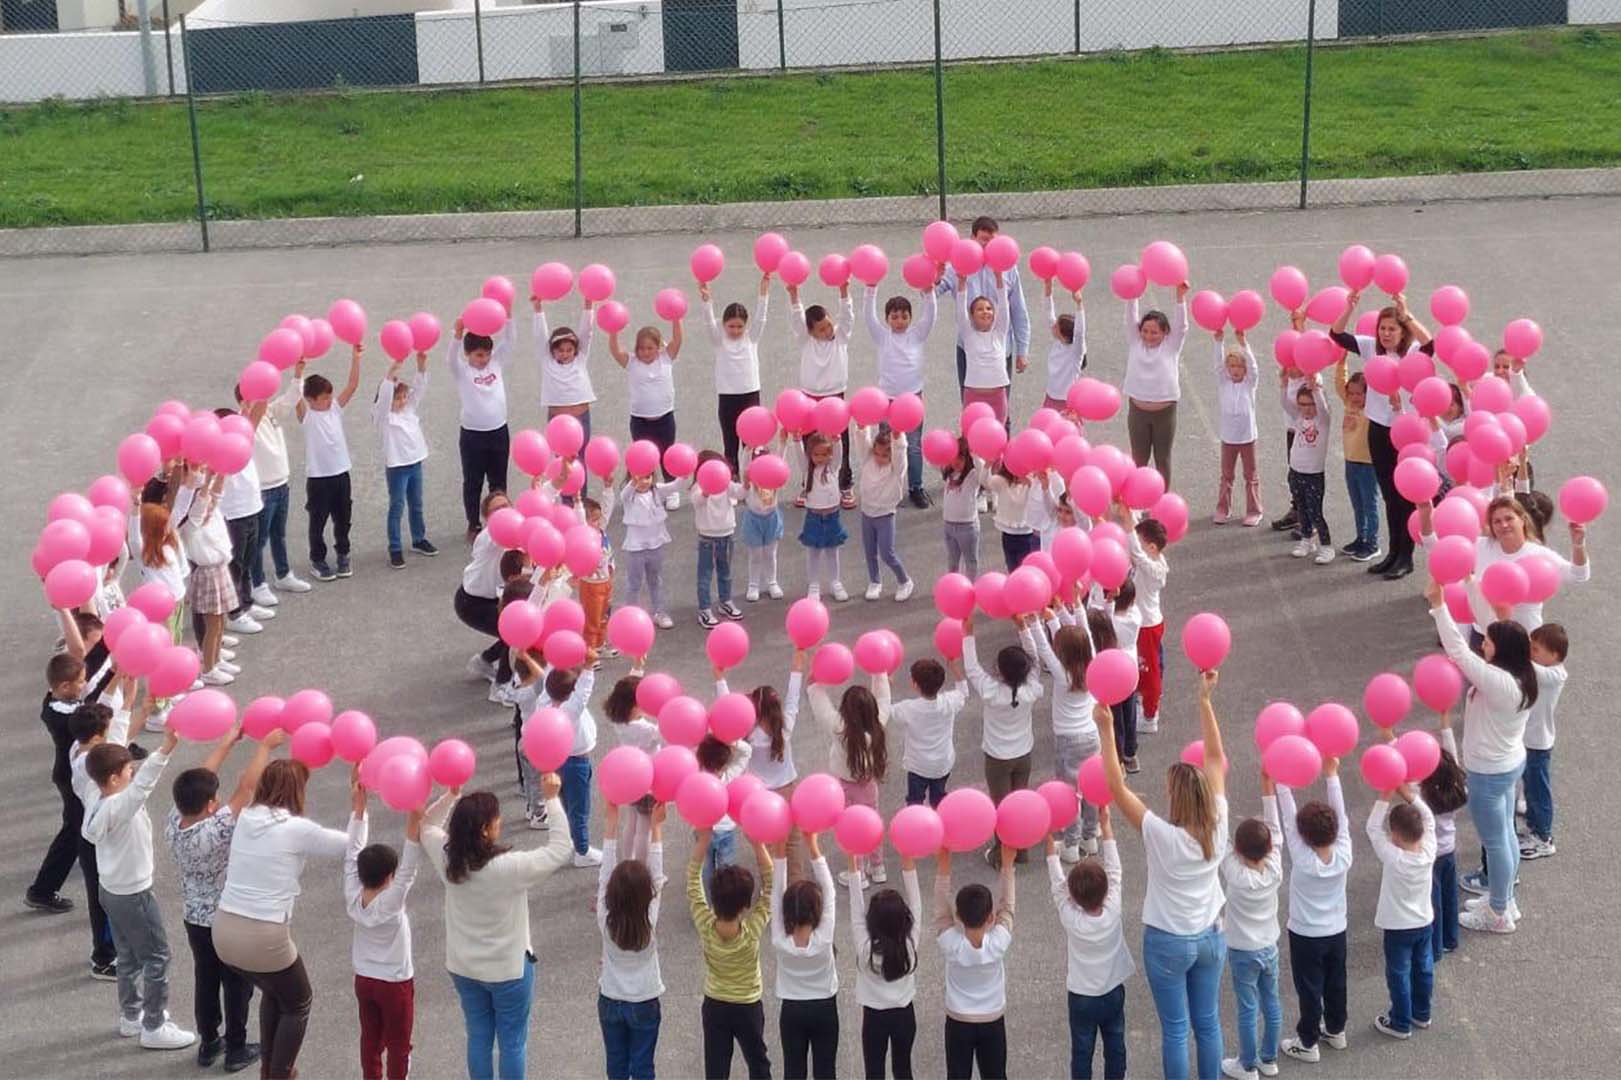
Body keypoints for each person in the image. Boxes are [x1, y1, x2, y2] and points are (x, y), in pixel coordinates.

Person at [1097, 669, 1228, 1080]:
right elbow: (1213, 757)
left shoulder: (1161, 833)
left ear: (1176, 797)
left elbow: (1117, 788)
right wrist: (1204, 702)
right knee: (1207, 1022)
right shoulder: (1218, 822)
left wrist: (1105, 729)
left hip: (1168, 939)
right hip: (1211, 935)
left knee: (1175, 1029)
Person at [422, 778, 571, 1080]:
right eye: (496, 818)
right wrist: (552, 799)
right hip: (508, 970)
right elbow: (561, 848)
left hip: (464, 967)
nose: (500, 821)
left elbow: (426, 825)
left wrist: (450, 795)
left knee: (478, 1037)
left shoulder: (447, 856)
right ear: (485, 830)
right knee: (512, 1043)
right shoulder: (508, 867)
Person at [212, 761, 350, 1078]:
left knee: (276, 992)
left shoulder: (246, 817)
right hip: (264, 935)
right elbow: (350, 845)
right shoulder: (295, 829)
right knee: (299, 1001)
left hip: (224, 931)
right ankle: (278, 1074)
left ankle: (270, 1070)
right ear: (296, 791)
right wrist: (360, 810)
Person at [1425, 577, 1537, 934]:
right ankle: (1504, 900)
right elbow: (1493, 625)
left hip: (1490, 773)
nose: (1483, 642)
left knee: (1496, 841)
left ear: (1501, 650)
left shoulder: (1499, 682)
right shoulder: (1520, 672)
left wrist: (1438, 605)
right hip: (1506, 765)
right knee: (1504, 834)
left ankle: (1498, 911)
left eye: (1488, 642)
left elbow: (1457, 650)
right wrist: (1471, 584)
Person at [167, 726, 280, 1073]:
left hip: (195, 918)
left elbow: (204, 779)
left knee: (206, 979)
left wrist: (226, 744)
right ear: (211, 804)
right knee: (237, 983)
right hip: (228, 919)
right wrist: (265, 746)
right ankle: (236, 1047)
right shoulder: (217, 829)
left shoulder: (174, 822)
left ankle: (208, 1042)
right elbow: (247, 788)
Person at [82, 723, 195, 1050]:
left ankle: (131, 1016)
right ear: (115, 778)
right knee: (157, 956)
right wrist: (166, 748)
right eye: (128, 770)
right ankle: (155, 1025)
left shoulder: (96, 797)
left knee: (128, 955)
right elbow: (143, 786)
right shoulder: (120, 805)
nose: (134, 773)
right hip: (133, 894)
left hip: (111, 891)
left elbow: (131, 780)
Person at [1328, 290, 1433, 579]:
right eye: (1382, 328)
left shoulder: (1412, 353)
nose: (1386, 334)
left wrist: (1406, 311)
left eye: (1392, 329)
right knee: (1388, 494)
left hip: (1405, 431)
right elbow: (1337, 335)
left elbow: (1430, 344)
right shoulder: (1370, 348)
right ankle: (1392, 552)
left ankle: (1406, 557)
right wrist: (1349, 307)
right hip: (1378, 430)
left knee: (1405, 496)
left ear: (1402, 332)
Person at [28, 650, 118, 980]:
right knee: (81, 840)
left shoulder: (56, 701)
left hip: (70, 779)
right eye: (78, 683)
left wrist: (108, 648)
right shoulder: (63, 718)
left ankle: (42, 889)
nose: (83, 685)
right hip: (75, 782)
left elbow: (87, 678)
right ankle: (104, 954)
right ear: (65, 686)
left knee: (71, 832)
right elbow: (93, 705)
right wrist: (114, 675)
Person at [1416, 495, 1589, 635]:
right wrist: (1425, 513)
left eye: (1509, 518)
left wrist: (1578, 545)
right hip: (1484, 636)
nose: (1503, 525)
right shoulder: (1482, 546)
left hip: (1523, 638)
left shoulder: (1538, 554)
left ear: (1522, 520)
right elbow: (1439, 549)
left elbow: (1578, 575)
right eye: (1497, 521)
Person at [1047, 805, 1132, 1080]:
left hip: (1081, 995)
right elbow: (1116, 869)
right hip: (1112, 990)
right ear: (1105, 890)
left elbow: (1057, 881)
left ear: (1073, 895)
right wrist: (1105, 824)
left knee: (1082, 1050)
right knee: (1115, 1046)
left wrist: (1048, 834)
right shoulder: (1113, 908)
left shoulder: (1071, 917)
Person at [1275, 759, 1352, 1062]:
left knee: (1309, 988)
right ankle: (1336, 1028)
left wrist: (1281, 780)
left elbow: (1287, 815)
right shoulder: (1344, 852)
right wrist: (1332, 774)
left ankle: (1307, 1042)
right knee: (1336, 981)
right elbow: (1342, 816)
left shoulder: (1302, 859)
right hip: (1337, 931)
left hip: (1306, 934)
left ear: (1303, 836)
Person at [345, 777, 423, 1080]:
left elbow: (352, 853)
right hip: (395, 983)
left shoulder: (353, 895)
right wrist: (414, 820)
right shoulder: (392, 902)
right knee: (399, 1044)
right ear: (389, 876)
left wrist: (359, 810)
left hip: (364, 979)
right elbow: (410, 868)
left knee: (371, 1039)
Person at [689, 827, 775, 1080]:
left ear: (713, 900)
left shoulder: (705, 925)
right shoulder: (752, 931)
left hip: (715, 1004)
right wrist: (758, 846)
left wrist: (703, 841)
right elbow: (771, 887)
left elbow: (693, 883)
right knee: (758, 1062)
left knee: (716, 1068)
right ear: (747, 904)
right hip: (748, 1005)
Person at [962, 612, 1042, 865]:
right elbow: (1036, 661)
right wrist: (1024, 629)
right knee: (1020, 803)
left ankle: (1002, 853)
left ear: (999, 670)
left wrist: (968, 635)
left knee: (1002, 808)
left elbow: (972, 668)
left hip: (997, 758)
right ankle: (1023, 848)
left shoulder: (991, 692)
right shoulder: (1031, 689)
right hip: (1024, 755)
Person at [1364, 769, 1437, 1041]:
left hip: (1397, 926)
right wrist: (1405, 792)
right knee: (1423, 966)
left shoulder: (1393, 857)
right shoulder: (1428, 850)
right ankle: (1422, 1012)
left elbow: (1372, 828)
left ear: (1394, 835)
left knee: (1398, 973)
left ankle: (1400, 1021)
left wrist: (1386, 792)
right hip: (1424, 922)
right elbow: (1428, 817)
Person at [1219, 771, 1283, 1080]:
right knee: (1271, 1001)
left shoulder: (1235, 875)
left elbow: (1221, 844)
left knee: (1247, 1007)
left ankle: (1246, 1064)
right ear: (1269, 848)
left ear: (1239, 850)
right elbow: (1274, 830)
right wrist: (1267, 788)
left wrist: (1216, 798)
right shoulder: (1275, 868)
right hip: (1269, 946)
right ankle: (1268, 1058)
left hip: (1242, 950)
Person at [806, 655, 891, 885]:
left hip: (844, 786)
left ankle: (858, 871)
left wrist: (814, 684)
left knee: (851, 827)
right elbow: (884, 698)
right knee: (871, 822)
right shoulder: (879, 724)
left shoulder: (840, 729)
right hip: (869, 784)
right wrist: (878, 670)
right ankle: (878, 866)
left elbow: (821, 708)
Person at [934, 845, 1017, 1080]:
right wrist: (1008, 867)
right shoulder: (998, 943)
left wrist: (943, 868)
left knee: (958, 1075)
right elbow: (1008, 909)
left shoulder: (951, 945)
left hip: (958, 1021)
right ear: (991, 917)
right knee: (995, 1075)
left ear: (958, 916)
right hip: (992, 1019)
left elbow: (941, 914)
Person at [597, 801, 666, 1080]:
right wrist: (656, 827)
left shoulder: (605, 917)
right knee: (643, 1065)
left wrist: (611, 821)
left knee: (616, 1064)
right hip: (645, 998)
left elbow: (604, 874)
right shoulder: (648, 919)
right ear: (647, 894)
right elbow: (658, 875)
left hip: (611, 997)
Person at [938, 216, 1032, 417]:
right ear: (972, 238)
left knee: (1002, 411)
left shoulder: (1007, 267)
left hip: (1000, 349)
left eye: (993, 240)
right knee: (970, 409)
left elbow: (1018, 310)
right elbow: (931, 292)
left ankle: (1001, 446)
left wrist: (1022, 351)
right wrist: (934, 276)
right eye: (984, 239)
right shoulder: (957, 264)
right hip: (968, 349)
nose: (988, 245)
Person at [513, 657, 601, 867]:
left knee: (564, 804)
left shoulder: (543, 702)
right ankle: (582, 851)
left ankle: (571, 841)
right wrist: (588, 667)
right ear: (571, 693)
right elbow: (584, 691)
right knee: (579, 809)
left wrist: (555, 659)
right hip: (576, 764)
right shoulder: (571, 709)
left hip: (556, 762)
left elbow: (551, 682)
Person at [770, 831, 839, 1080]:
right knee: (825, 1070)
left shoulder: (780, 940)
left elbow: (775, 897)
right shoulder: (824, 939)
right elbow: (830, 891)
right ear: (817, 910)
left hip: (792, 1010)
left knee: (793, 1071)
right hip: (824, 1008)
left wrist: (780, 852)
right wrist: (813, 846)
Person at [1032, 614, 1101, 860]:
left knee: (1070, 793)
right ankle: (1091, 836)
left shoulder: (1062, 675)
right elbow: (1088, 637)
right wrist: (1062, 614)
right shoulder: (1093, 666)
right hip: (1092, 735)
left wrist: (1035, 622)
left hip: (1068, 740)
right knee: (1091, 787)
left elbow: (1042, 647)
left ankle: (1071, 844)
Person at [864, 279, 938, 506]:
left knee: (913, 446)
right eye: (894, 317)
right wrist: (871, 289)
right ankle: (889, 484)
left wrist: (929, 293)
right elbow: (869, 316)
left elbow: (930, 316)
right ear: (887, 319)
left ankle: (916, 486)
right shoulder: (882, 336)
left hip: (913, 400)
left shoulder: (917, 334)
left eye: (904, 316)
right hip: (886, 401)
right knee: (888, 444)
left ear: (910, 318)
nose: (899, 321)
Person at [237, 377, 312, 599]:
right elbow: (255, 418)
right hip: (263, 490)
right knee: (259, 541)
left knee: (279, 535)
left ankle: (283, 574)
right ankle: (257, 584)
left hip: (281, 484)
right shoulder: (242, 423)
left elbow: (291, 398)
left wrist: (299, 374)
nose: (261, 400)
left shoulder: (270, 411)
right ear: (243, 401)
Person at [849, 852, 922, 1078]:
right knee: (903, 1069)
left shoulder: (865, 951)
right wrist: (908, 862)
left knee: (874, 1072)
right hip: (904, 1014)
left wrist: (853, 866)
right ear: (905, 919)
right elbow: (917, 903)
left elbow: (855, 911)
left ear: (871, 921)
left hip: (874, 1018)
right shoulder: (909, 944)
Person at [293, 344, 363, 581]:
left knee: (344, 517)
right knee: (318, 520)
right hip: (319, 478)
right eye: (324, 398)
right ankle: (318, 559)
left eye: (330, 396)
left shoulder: (334, 409)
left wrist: (356, 357)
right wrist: (298, 372)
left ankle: (343, 554)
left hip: (341, 473)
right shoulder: (307, 415)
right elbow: (295, 396)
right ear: (310, 399)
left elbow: (352, 385)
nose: (329, 400)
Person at [448, 311, 516, 542]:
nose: (484, 358)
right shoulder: (462, 371)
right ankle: (474, 523)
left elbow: (510, 341)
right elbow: (450, 358)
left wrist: (508, 317)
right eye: (478, 355)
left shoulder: (496, 362)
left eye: (486, 353)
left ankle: (500, 520)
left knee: (498, 480)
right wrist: (457, 334)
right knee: (473, 481)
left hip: (498, 431)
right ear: (467, 354)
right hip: (472, 436)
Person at [788, 280, 856, 505]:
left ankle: (844, 485)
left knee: (840, 444)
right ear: (810, 332)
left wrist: (844, 292)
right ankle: (808, 485)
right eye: (821, 329)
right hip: (808, 399)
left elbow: (847, 317)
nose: (827, 331)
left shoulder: (841, 337)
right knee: (810, 444)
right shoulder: (805, 341)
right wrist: (794, 295)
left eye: (828, 325)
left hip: (835, 398)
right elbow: (797, 320)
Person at [370, 349, 438, 568]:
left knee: (416, 504)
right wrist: (392, 372)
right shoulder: (383, 417)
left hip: (415, 463)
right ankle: (395, 548)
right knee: (397, 506)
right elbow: (385, 398)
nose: (401, 401)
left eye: (402, 397)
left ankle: (418, 539)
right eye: (397, 398)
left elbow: (420, 389)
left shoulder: (409, 409)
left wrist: (421, 365)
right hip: (397, 467)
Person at [608, 316, 684, 508]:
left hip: (665, 418)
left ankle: (670, 489)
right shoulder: (632, 363)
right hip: (640, 420)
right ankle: (640, 491)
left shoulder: (666, 358)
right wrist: (613, 331)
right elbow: (616, 351)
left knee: (667, 454)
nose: (645, 352)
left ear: (658, 348)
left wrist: (677, 319)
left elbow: (677, 340)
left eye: (650, 348)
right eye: (641, 348)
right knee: (642, 457)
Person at [699, 273, 771, 477]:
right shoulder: (718, 340)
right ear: (723, 325)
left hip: (750, 394)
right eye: (731, 326)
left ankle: (754, 477)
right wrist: (706, 300)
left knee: (753, 443)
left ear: (746, 326)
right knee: (730, 443)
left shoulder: (752, 337)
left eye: (740, 326)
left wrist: (763, 293)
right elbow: (707, 322)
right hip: (727, 396)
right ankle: (732, 480)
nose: (735, 330)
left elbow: (761, 317)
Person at [1122, 283, 1190, 485]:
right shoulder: (1135, 342)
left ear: (1165, 333)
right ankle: (1136, 501)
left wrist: (1180, 297)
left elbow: (1181, 326)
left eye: (1154, 332)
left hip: (1165, 412)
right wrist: (1132, 295)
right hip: (1138, 411)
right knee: (1139, 459)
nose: (1148, 336)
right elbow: (1130, 319)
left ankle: (1161, 503)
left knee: (1162, 458)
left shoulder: (1171, 346)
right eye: (1145, 331)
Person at [215, 403, 275, 634]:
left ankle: (246, 603)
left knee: (248, 561)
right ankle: (234, 612)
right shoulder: (218, 452)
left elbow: (256, 414)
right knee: (235, 566)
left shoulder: (243, 440)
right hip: (233, 515)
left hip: (253, 509)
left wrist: (258, 398)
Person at [181, 469, 239, 686]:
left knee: (220, 620)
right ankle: (208, 667)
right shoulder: (192, 522)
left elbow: (215, 496)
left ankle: (217, 658)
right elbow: (202, 503)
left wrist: (220, 474)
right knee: (213, 623)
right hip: (208, 573)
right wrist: (204, 484)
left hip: (219, 568)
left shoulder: (211, 512)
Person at [456, 491, 516, 698]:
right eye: (497, 510)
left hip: (494, 599)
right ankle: (500, 686)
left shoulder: (514, 532)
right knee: (514, 632)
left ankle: (485, 661)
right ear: (487, 518)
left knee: (518, 629)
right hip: (472, 604)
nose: (504, 513)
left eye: (506, 506)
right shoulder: (488, 537)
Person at [533, 294, 598, 482]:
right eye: (560, 350)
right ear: (552, 350)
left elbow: (587, 332)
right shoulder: (546, 360)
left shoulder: (580, 359)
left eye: (569, 350)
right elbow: (540, 337)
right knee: (561, 463)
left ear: (576, 350)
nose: (565, 354)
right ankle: (564, 503)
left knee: (580, 460)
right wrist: (538, 310)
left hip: (581, 417)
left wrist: (588, 304)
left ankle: (580, 502)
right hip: (557, 420)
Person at [1419, 712, 1467, 962]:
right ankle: (1451, 938)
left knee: (1433, 900)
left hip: (1432, 855)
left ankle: (1435, 946)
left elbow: (1402, 776)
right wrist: (1445, 725)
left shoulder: (1423, 797)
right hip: (1449, 852)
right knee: (1450, 894)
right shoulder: (1457, 789)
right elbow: (1453, 760)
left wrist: (1390, 738)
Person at [891, 657, 969, 810]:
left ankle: (916, 824)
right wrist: (954, 667)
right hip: (942, 764)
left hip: (917, 766)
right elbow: (963, 692)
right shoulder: (949, 702)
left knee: (915, 801)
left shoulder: (909, 708)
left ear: (915, 685)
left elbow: (885, 710)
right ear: (942, 681)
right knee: (939, 798)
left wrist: (886, 685)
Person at [1520, 622, 1569, 860]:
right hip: (1530, 739)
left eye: (1536, 649)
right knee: (1530, 789)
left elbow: (1529, 668)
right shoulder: (1546, 670)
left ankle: (1543, 837)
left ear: (1555, 655)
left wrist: (1514, 648)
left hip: (1537, 743)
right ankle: (1533, 829)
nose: (1531, 652)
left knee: (1538, 791)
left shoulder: (1555, 675)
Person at [1120, 503, 1170, 733]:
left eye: (1139, 544)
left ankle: (1150, 716)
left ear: (1151, 547)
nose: (1134, 548)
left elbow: (1138, 557)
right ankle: (1149, 701)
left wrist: (1129, 526)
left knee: (1149, 671)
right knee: (1148, 665)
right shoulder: (1147, 562)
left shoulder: (1156, 569)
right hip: (1143, 623)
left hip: (1147, 626)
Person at [618, 466, 685, 630]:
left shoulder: (657, 491)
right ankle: (630, 616)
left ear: (652, 478)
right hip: (636, 548)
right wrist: (633, 483)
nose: (643, 482)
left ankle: (659, 612)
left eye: (647, 477)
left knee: (655, 580)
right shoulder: (630, 495)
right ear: (632, 478)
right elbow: (623, 495)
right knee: (634, 583)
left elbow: (674, 486)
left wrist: (683, 472)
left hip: (655, 545)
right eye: (638, 478)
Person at [852, 425, 914, 601]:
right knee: (869, 551)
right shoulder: (867, 459)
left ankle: (905, 581)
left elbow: (901, 453)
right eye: (877, 454)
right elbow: (861, 443)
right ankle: (874, 582)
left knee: (887, 553)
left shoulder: (896, 469)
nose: (879, 458)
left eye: (885, 455)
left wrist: (898, 437)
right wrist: (863, 428)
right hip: (867, 514)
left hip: (885, 515)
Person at [1278, 373, 1334, 564]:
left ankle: (1326, 546)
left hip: (1313, 474)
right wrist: (1284, 385)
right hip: (1296, 471)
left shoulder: (1323, 420)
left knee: (1315, 511)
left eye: (1310, 405)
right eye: (1302, 404)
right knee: (1301, 508)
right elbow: (1286, 404)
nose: (1306, 409)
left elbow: (1322, 407)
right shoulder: (1298, 417)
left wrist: (1316, 389)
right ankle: (1306, 540)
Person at [1211, 329, 1262, 526]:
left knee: (1251, 476)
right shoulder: (1223, 383)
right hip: (1228, 438)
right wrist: (1218, 342)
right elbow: (1217, 366)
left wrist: (1243, 343)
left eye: (1240, 366)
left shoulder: (1250, 384)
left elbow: (1254, 368)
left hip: (1247, 437)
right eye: (1232, 366)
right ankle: (1223, 508)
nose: (1236, 370)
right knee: (1226, 476)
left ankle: (1254, 510)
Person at [1331, 357, 1380, 560]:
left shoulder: (1372, 411)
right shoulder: (1349, 404)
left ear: (1368, 395)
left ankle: (1372, 542)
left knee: (1370, 504)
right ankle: (1361, 537)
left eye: (1359, 394)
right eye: (1351, 393)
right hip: (1351, 461)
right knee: (1357, 503)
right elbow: (1339, 383)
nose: (1353, 397)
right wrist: (1341, 362)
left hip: (1368, 464)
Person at [690, 449, 746, 628]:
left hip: (727, 534)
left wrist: (748, 484)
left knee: (726, 572)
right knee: (705, 575)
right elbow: (697, 501)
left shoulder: (727, 484)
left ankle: (725, 601)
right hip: (707, 537)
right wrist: (706, 492)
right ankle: (704, 609)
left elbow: (740, 493)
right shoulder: (698, 487)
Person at [793, 431, 850, 601]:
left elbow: (839, 453)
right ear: (810, 454)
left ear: (830, 455)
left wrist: (837, 439)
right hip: (814, 517)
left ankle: (835, 582)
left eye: (824, 454)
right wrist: (796, 441)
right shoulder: (807, 470)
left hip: (832, 516)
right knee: (814, 553)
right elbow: (799, 457)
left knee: (833, 552)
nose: (820, 458)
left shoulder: (832, 468)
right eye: (816, 454)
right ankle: (814, 585)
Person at [954, 266, 1014, 424]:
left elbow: (1004, 305)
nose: (985, 312)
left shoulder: (1000, 334)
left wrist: (999, 278)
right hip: (973, 396)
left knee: (997, 437)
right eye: (979, 309)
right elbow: (960, 309)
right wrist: (962, 283)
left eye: (988, 308)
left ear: (994, 314)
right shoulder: (968, 335)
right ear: (972, 316)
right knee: (972, 439)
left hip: (998, 396)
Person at [740, 441, 787, 602]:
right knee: (755, 554)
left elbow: (781, 460)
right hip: (753, 519)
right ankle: (753, 584)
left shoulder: (774, 478)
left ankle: (772, 582)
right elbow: (744, 464)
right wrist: (747, 449)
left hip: (771, 518)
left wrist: (783, 443)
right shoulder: (749, 477)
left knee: (770, 553)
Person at [1042, 278, 1087, 414]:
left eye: (1056, 326)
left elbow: (1080, 332)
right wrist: (1048, 287)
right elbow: (1048, 313)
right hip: (1050, 397)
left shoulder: (1075, 351)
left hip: (1067, 402)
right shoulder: (1058, 342)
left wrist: (1079, 304)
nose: (1053, 326)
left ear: (1064, 333)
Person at [940, 438, 983, 577]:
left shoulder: (973, 476)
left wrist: (975, 454)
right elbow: (932, 461)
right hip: (948, 525)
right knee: (952, 561)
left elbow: (982, 469)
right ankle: (953, 588)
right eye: (954, 457)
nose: (956, 461)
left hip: (967, 527)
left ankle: (971, 588)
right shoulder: (949, 473)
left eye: (961, 457)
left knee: (970, 561)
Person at [985, 461, 1037, 571]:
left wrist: (1030, 482)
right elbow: (986, 482)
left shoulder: (1032, 483)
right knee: (1012, 569)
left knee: (1025, 570)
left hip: (1026, 535)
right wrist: (987, 465)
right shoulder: (1002, 482)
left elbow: (1042, 496)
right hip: (1008, 535)